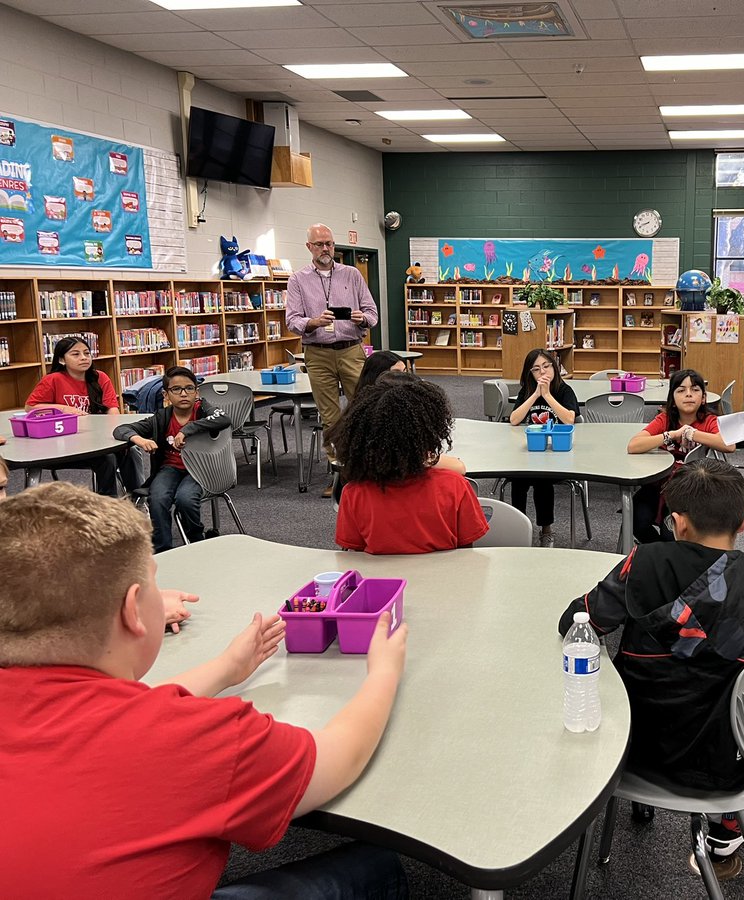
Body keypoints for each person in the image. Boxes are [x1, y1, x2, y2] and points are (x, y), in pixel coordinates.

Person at [0, 482, 410, 897]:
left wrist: (225, 668)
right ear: (132, 612)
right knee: (375, 866)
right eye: (156, 589)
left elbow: (113, 716)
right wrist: (383, 672)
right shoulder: (201, 738)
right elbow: (341, 755)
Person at [558, 459, 744, 880]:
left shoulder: (641, 564)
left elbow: (581, 619)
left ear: (676, 523)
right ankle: (726, 830)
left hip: (628, 749)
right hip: (722, 759)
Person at [330, 377, 487, 554]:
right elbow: (466, 553)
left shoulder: (355, 493)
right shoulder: (455, 486)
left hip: (385, 581)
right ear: (427, 434)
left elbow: (355, 555)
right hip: (444, 580)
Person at [285, 223, 379, 497]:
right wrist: (312, 322)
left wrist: (364, 318)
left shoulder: (352, 274)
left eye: (329, 243)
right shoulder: (297, 280)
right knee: (330, 417)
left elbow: (372, 313)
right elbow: (292, 320)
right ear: (309, 248)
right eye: (319, 244)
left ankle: (370, 470)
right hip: (318, 353)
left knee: (364, 410)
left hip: (351, 349)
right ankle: (342, 477)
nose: (325, 249)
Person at [112, 366, 230, 553]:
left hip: (200, 469)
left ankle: (197, 540)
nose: (184, 394)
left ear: (196, 392)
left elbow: (223, 419)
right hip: (170, 468)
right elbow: (121, 429)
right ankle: (163, 549)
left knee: (185, 499)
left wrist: (187, 429)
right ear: (166, 394)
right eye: (176, 389)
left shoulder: (203, 409)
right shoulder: (162, 417)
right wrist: (139, 439)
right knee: (157, 498)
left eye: (189, 388)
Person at [626, 368, 734, 543]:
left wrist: (691, 433)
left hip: (689, 490)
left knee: (672, 533)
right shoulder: (665, 419)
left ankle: (670, 555)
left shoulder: (709, 421)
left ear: (704, 398)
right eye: (681, 390)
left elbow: (729, 445)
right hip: (657, 485)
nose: (689, 394)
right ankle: (663, 554)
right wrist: (673, 434)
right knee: (635, 521)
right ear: (673, 400)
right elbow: (633, 445)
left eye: (695, 390)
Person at [26, 336, 139, 497]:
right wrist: (64, 408)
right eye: (76, 354)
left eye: (87, 353)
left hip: (97, 438)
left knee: (131, 449)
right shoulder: (52, 380)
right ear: (62, 360)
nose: (84, 358)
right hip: (65, 444)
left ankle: (138, 497)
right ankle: (108, 504)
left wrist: (114, 433)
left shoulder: (100, 377)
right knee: (107, 458)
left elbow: (112, 410)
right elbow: (30, 406)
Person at [508, 348, 579, 546]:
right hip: (530, 452)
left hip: (556, 456)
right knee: (517, 479)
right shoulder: (526, 391)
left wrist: (547, 395)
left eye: (546, 366)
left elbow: (569, 420)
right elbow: (514, 420)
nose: (543, 373)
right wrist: (534, 395)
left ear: (554, 367)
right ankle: (518, 527)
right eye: (536, 369)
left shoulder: (564, 390)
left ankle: (546, 529)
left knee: (543, 480)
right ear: (530, 373)